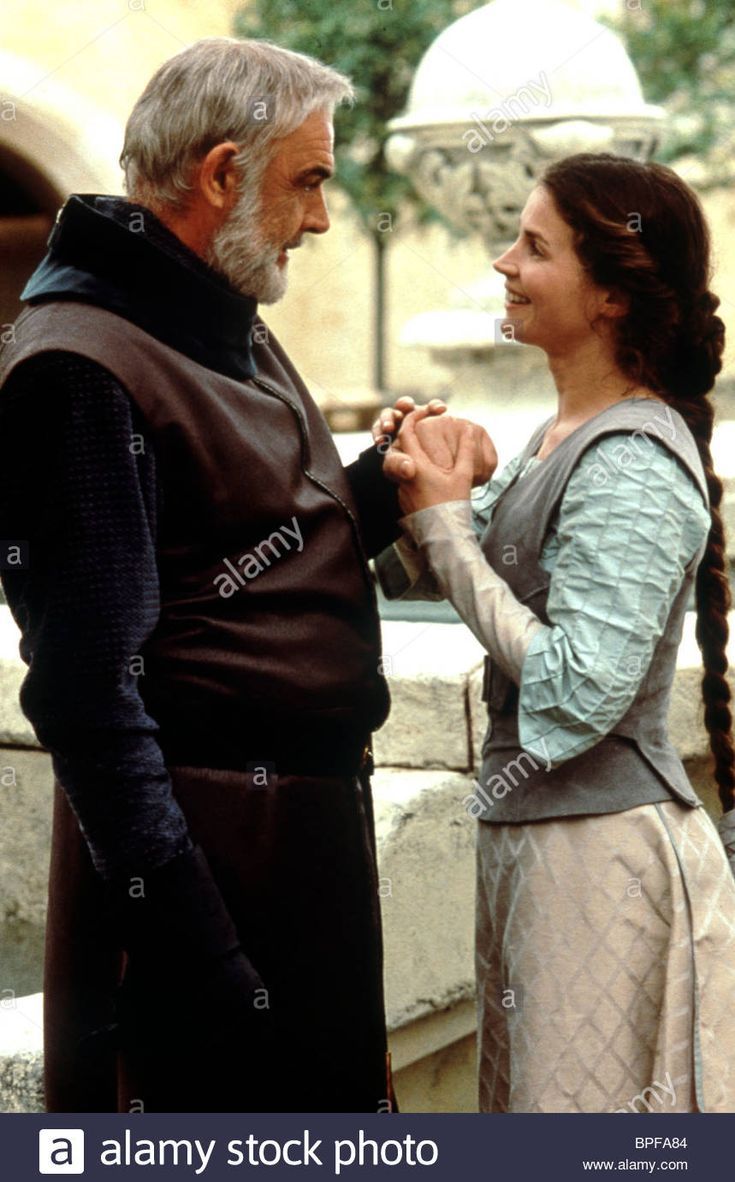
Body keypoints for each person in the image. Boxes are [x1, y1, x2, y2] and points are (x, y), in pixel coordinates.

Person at [0, 36, 489, 1113]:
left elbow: (247, 554)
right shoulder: (79, 365)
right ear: (222, 173)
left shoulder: (220, 315)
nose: (321, 216)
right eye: (308, 178)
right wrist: (196, 952)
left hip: (294, 853)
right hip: (200, 875)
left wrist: (387, 476)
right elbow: (87, 693)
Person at [376, 153, 735, 1113]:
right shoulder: (558, 434)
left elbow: (581, 693)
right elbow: (429, 570)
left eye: (533, 247)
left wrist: (448, 523)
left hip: (599, 859)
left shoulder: (630, 459)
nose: (502, 262)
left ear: (611, 297)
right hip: (541, 847)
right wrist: (408, 481)